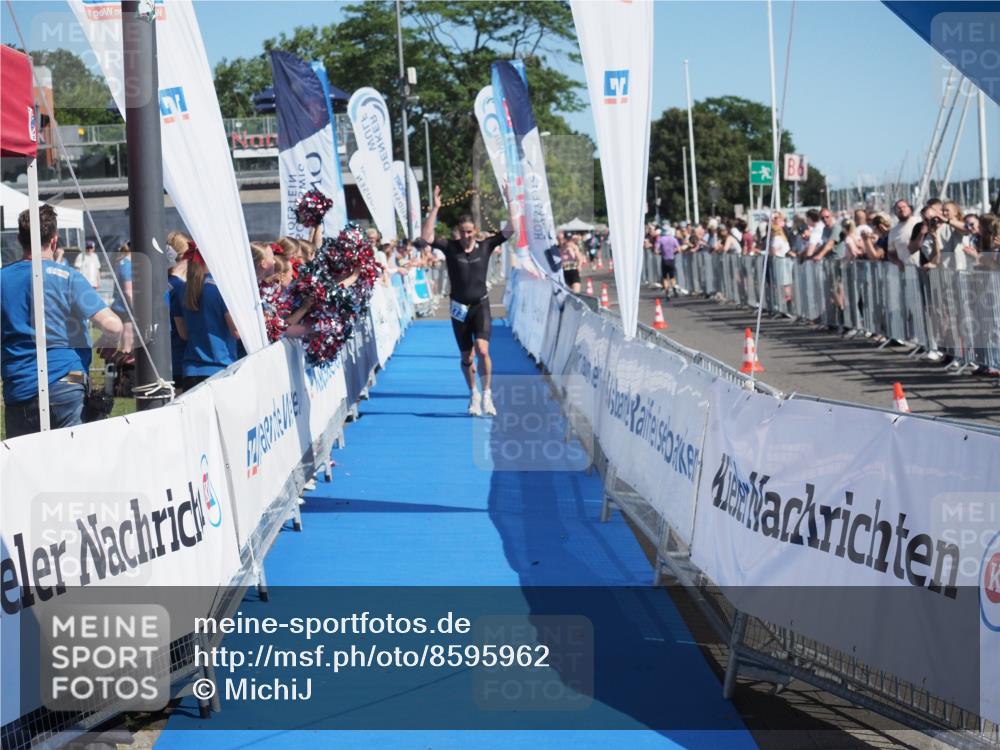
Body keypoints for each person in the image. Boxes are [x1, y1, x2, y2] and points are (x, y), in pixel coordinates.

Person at [2, 205, 122, 438]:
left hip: (18, 384)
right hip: (67, 380)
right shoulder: (68, 278)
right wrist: (109, 341)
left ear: (19, 239)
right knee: (72, 467)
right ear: (55, 241)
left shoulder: (3, 279)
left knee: (25, 469)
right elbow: (113, 325)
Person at [421, 183, 516, 417]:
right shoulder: (450, 248)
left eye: (469, 231)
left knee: (482, 350)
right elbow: (426, 238)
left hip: (480, 305)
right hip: (458, 308)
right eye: (463, 231)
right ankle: (473, 394)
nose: (466, 235)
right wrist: (435, 208)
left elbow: (511, 229)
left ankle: (487, 394)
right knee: (466, 356)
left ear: (475, 231)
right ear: (458, 231)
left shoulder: (485, 246)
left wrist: (509, 199)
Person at [172, 246, 240, 391]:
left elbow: (183, 334)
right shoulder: (220, 290)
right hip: (220, 369)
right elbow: (237, 332)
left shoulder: (181, 290)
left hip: (191, 370)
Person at [887, 199, 919, 268]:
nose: (901, 209)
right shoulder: (893, 232)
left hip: (924, 268)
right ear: (895, 212)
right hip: (907, 270)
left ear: (910, 209)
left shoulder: (919, 221)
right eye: (898, 208)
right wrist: (897, 262)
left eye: (904, 207)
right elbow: (891, 253)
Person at [656, 226, 680, 298]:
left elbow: (656, 250)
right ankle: (674, 288)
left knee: (665, 277)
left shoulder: (660, 239)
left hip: (664, 259)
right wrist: (673, 252)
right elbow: (678, 249)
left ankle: (667, 291)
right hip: (671, 259)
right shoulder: (673, 239)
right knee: (672, 276)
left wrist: (662, 252)